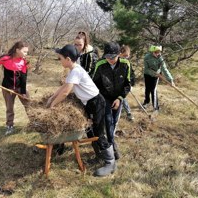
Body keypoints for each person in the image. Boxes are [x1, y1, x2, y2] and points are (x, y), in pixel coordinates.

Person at [46, 44, 116, 177]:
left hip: (96, 103)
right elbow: (64, 87)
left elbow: (66, 92)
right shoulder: (73, 71)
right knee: (91, 131)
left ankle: (110, 162)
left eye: (60, 58)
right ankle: (99, 156)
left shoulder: (76, 71)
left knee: (99, 133)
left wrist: (53, 105)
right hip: (90, 103)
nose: (59, 60)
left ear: (67, 59)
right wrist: (52, 98)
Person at [92, 42, 131, 160]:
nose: (110, 59)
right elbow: (94, 83)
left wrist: (120, 98)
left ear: (119, 54)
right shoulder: (100, 64)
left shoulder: (125, 64)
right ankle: (112, 146)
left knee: (114, 121)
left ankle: (111, 140)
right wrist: (100, 99)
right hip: (105, 97)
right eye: (107, 56)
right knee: (108, 120)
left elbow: (128, 84)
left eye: (113, 57)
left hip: (118, 96)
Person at [0, 41, 30, 135]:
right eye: (25, 51)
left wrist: (23, 91)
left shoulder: (24, 61)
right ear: (17, 50)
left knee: (28, 105)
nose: (26, 54)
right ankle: (10, 126)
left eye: (27, 52)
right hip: (7, 88)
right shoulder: (5, 58)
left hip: (19, 87)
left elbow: (24, 77)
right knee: (9, 108)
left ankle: (34, 123)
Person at [143, 45, 174, 114]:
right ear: (152, 52)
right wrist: (153, 72)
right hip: (147, 74)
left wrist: (170, 79)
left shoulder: (160, 58)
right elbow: (146, 68)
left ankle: (155, 107)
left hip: (156, 76)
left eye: (159, 52)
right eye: (156, 52)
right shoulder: (147, 57)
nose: (158, 54)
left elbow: (164, 69)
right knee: (147, 89)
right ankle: (146, 102)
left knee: (153, 90)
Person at [119, 45, 136, 121]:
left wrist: (131, 84)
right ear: (120, 54)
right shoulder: (116, 62)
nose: (126, 58)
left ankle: (128, 113)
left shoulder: (128, 63)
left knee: (122, 97)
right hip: (117, 84)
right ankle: (127, 112)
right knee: (121, 98)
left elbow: (131, 74)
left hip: (124, 85)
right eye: (124, 56)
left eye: (127, 56)